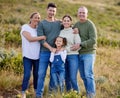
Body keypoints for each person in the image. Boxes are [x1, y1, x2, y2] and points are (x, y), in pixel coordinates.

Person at [36, 3, 62, 98]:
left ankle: (51, 94)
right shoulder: (42, 23)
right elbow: (41, 39)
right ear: (47, 10)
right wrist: (51, 48)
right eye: (50, 10)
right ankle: (39, 95)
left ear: (56, 12)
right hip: (44, 52)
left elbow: (67, 28)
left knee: (53, 74)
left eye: (54, 11)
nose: (52, 12)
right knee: (41, 74)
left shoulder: (59, 23)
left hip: (56, 53)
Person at [72, 6, 97, 98]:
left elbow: (93, 40)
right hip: (79, 54)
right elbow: (69, 31)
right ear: (77, 14)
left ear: (87, 14)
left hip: (89, 53)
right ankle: (88, 93)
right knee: (83, 76)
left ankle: (91, 96)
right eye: (80, 13)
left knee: (88, 74)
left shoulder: (90, 24)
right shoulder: (76, 24)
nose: (81, 14)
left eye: (83, 13)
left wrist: (80, 44)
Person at [20, 12, 46, 98]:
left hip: (37, 56)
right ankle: (23, 92)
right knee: (27, 74)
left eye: (38, 18)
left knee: (36, 74)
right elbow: (30, 39)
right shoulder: (25, 27)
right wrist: (41, 37)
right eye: (35, 17)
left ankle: (35, 91)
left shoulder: (39, 29)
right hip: (27, 56)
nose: (37, 19)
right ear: (31, 18)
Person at [59, 15, 81, 93]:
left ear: (71, 22)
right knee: (66, 78)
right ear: (62, 22)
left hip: (73, 56)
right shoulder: (60, 32)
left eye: (68, 20)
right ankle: (69, 94)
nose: (66, 22)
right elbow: (59, 44)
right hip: (63, 57)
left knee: (72, 78)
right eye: (64, 20)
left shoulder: (74, 31)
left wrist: (65, 49)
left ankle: (77, 94)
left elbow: (78, 45)